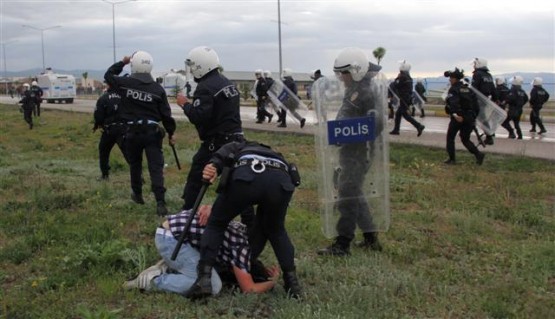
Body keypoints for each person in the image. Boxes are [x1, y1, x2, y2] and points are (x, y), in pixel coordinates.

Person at [186, 140, 302, 299]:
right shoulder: (276, 153)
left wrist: (213, 166)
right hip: (280, 181)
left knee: (216, 223)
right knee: (276, 230)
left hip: (247, 175)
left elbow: (221, 156)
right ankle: (293, 284)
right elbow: (252, 217)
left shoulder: (238, 145)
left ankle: (204, 280)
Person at [317, 47, 385, 257]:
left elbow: (377, 123)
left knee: (347, 195)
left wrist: (347, 131)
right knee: (354, 192)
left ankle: (343, 243)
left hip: (359, 152)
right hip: (352, 151)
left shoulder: (363, 91)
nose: (341, 77)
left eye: (344, 73)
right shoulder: (357, 88)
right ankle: (371, 236)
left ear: (355, 70)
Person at [122, 205, 280, 295]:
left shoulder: (242, 228)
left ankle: (172, 266)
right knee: (213, 285)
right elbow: (249, 288)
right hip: (172, 241)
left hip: (174, 233)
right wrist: (272, 282)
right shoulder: (241, 246)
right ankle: (153, 281)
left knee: (213, 269)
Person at [104, 50, 176, 217]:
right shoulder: (157, 89)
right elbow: (166, 114)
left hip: (132, 132)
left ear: (134, 65)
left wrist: (122, 62)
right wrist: (171, 133)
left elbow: (108, 75)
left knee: (135, 165)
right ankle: (160, 202)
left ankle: (138, 195)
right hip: (152, 133)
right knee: (155, 168)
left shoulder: (125, 83)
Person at [176, 46, 248, 213]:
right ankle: (247, 219)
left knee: (197, 176)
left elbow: (199, 116)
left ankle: (187, 212)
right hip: (237, 141)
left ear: (201, 66)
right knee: (235, 180)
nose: (192, 70)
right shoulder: (227, 83)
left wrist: (185, 104)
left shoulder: (205, 87)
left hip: (216, 143)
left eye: (193, 66)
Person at [443, 68, 485, 165]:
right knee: (465, 139)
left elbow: (453, 103)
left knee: (450, 138)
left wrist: (455, 115)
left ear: (455, 79)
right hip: (469, 117)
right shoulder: (468, 89)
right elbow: (476, 105)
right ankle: (478, 155)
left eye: (451, 78)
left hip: (458, 117)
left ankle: (452, 159)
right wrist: (473, 117)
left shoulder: (453, 89)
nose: (450, 80)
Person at [93, 82, 129, 180]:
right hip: (123, 129)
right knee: (128, 153)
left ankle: (105, 175)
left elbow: (98, 115)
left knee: (104, 151)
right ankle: (138, 175)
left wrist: (99, 124)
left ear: (108, 85)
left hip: (109, 130)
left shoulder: (103, 98)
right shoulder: (125, 97)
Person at [389, 61, 425, 136]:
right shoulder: (409, 77)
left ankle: (419, 126)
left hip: (403, 99)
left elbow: (396, 85)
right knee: (398, 114)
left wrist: (396, 78)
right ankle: (396, 129)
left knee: (406, 115)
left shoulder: (402, 77)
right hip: (407, 98)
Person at [471, 58, 498, 145]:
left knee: (480, 118)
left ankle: (489, 136)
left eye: (475, 64)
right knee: (482, 118)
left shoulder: (477, 74)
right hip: (485, 99)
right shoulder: (488, 75)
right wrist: (496, 99)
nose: (474, 66)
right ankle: (489, 134)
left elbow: (473, 88)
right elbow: (493, 88)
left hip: (478, 100)